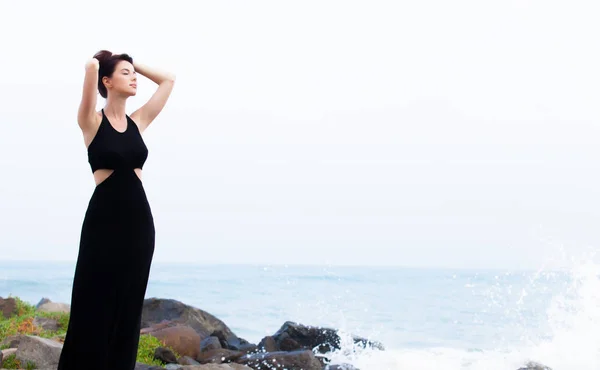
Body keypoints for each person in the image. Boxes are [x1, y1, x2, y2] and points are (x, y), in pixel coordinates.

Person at [57, 50, 175, 370]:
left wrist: (130, 62)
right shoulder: (91, 121)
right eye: (126, 73)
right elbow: (91, 72)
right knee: (92, 299)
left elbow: (168, 80)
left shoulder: (139, 122)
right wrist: (97, 66)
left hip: (139, 225)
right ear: (106, 82)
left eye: (133, 73)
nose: (134, 78)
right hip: (103, 224)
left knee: (128, 303)